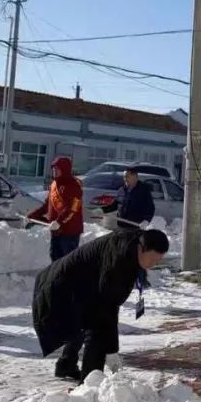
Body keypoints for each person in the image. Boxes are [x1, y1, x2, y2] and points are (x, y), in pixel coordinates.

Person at [32, 228, 169, 382]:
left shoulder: (137, 242)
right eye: (152, 260)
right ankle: (89, 385)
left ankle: (67, 365)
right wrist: (112, 350)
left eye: (158, 261)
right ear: (141, 248)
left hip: (80, 282)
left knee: (82, 322)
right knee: (96, 330)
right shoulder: (117, 263)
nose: (154, 265)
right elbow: (107, 309)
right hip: (60, 285)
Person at [29, 156, 84, 261]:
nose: (54, 171)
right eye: (54, 169)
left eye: (57, 169)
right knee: (55, 258)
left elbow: (72, 208)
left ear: (64, 169)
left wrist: (59, 222)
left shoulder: (73, 185)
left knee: (68, 261)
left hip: (69, 231)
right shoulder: (54, 184)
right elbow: (47, 205)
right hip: (56, 230)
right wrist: (32, 215)